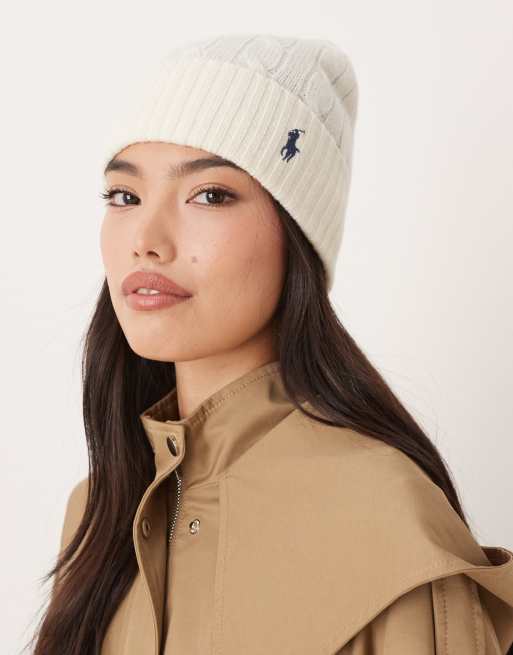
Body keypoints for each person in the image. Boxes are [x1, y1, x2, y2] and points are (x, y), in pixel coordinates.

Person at [28, 33, 513, 654]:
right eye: (125, 196)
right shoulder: (98, 511)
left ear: (296, 235)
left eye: (210, 195)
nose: (145, 238)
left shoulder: (385, 526)